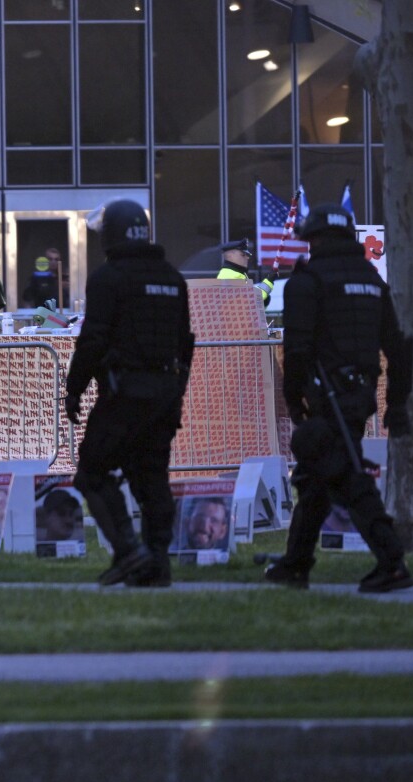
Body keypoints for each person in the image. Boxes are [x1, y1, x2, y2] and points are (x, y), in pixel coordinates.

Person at [268, 203, 413, 593]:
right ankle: (295, 563)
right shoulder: (371, 280)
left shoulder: (307, 281)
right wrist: (396, 402)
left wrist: (292, 397)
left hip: (326, 395)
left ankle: (392, 560)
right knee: (316, 477)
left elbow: (297, 350)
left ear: (313, 239)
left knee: (347, 475)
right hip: (359, 392)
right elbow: (400, 348)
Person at [66, 199, 194, 588]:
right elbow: (185, 344)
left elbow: (93, 340)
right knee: (151, 476)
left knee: (92, 472)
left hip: (124, 394)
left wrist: (74, 389)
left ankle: (128, 550)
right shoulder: (173, 279)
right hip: (165, 393)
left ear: (112, 235)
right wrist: (176, 395)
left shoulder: (110, 277)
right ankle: (157, 564)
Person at [215, 238, 273, 303]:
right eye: (243, 254)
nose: (247, 257)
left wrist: (263, 303)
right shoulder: (232, 276)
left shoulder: (233, 273)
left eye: (247, 254)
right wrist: (269, 281)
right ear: (230, 256)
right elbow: (251, 301)